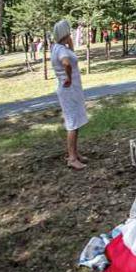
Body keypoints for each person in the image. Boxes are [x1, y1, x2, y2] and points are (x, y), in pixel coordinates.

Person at [50, 20, 89, 170]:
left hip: (71, 90)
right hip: (68, 90)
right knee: (72, 124)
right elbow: (66, 63)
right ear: (64, 32)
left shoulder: (59, 47)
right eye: (68, 31)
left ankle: (75, 153)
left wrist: (70, 41)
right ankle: (72, 158)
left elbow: (71, 55)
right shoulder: (60, 50)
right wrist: (69, 78)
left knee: (76, 122)